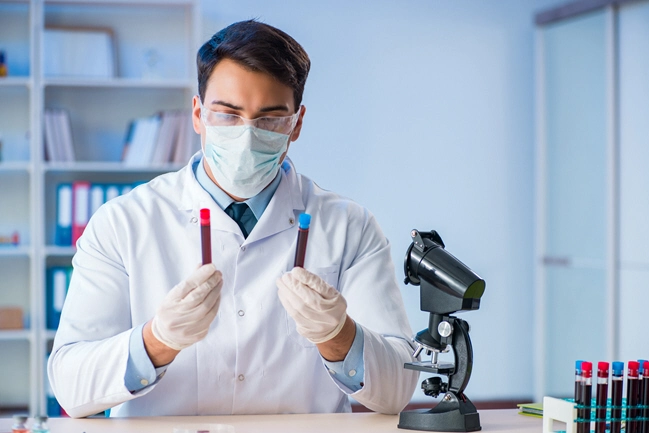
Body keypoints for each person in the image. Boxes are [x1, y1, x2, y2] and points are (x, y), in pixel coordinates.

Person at [48, 19, 419, 418]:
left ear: (296, 124)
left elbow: (397, 390)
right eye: (227, 115)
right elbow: (70, 386)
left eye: (270, 119)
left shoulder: (350, 226)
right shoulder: (123, 222)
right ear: (197, 114)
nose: (247, 135)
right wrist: (156, 341)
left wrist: (338, 336)